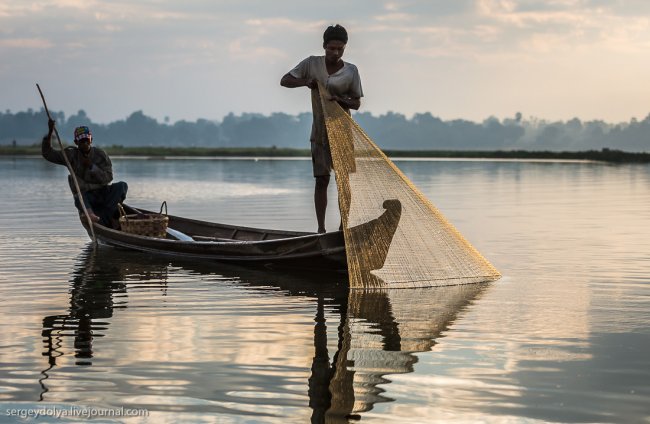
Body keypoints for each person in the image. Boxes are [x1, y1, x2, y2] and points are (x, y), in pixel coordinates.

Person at [280, 24, 363, 233]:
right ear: (324, 46)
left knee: (343, 181)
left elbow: (356, 103)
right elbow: (285, 80)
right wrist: (307, 82)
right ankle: (321, 230)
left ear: (345, 48)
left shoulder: (351, 70)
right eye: (331, 48)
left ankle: (344, 228)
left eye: (340, 49)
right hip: (319, 133)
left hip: (342, 132)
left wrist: (340, 100)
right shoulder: (311, 64)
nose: (335, 53)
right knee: (321, 180)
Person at [42, 120, 127, 228]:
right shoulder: (70, 155)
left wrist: (92, 167)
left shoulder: (100, 155)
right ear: (76, 142)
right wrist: (50, 132)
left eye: (87, 140)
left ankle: (112, 215)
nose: (85, 143)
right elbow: (47, 153)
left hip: (103, 192)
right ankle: (91, 215)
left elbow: (108, 177)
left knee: (122, 186)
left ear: (91, 139)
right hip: (88, 196)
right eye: (82, 141)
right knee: (79, 198)